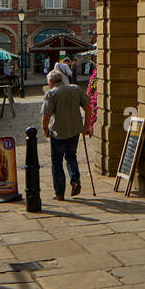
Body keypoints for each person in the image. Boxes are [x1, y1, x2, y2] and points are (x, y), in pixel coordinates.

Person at [41, 67, 90, 200]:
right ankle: (75, 181)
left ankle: (59, 193)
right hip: (74, 131)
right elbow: (87, 108)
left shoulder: (52, 93)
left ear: (51, 82)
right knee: (71, 157)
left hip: (58, 132)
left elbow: (46, 115)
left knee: (57, 162)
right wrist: (86, 126)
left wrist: (45, 129)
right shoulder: (76, 89)